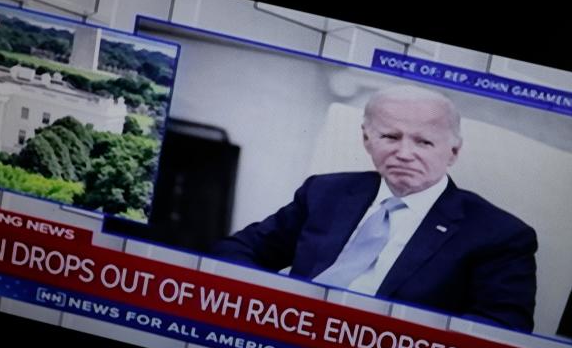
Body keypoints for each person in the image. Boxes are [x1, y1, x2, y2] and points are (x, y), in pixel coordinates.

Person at [213, 85, 538, 332]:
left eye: (423, 142)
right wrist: (271, 307)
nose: (404, 153)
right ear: (367, 140)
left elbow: (501, 331)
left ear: (453, 152)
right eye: (390, 137)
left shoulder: (499, 235)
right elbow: (238, 249)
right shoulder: (326, 192)